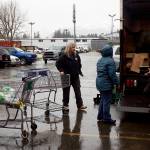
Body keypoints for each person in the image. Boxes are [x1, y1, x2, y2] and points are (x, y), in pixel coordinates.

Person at [55, 42, 87, 111]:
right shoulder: (64, 55)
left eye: (74, 47)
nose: (74, 49)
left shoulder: (76, 55)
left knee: (78, 91)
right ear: (69, 48)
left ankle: (80, 105)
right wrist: (61, 71)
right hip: (66, 76)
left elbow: (79, 64)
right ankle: (65, 105)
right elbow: (57, 63)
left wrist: (79, 72)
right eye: (73, 47)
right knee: (66, 92)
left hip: (75, 77)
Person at [96, 44, 119, 124]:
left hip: (99, 83)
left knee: (103, 100)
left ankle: (100, 116)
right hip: (106, 84)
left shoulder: (100, 60)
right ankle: (107, 118)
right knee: (106, 101)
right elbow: (112, 74)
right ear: (110, 52)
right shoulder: (110, 61)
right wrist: (117, 83)